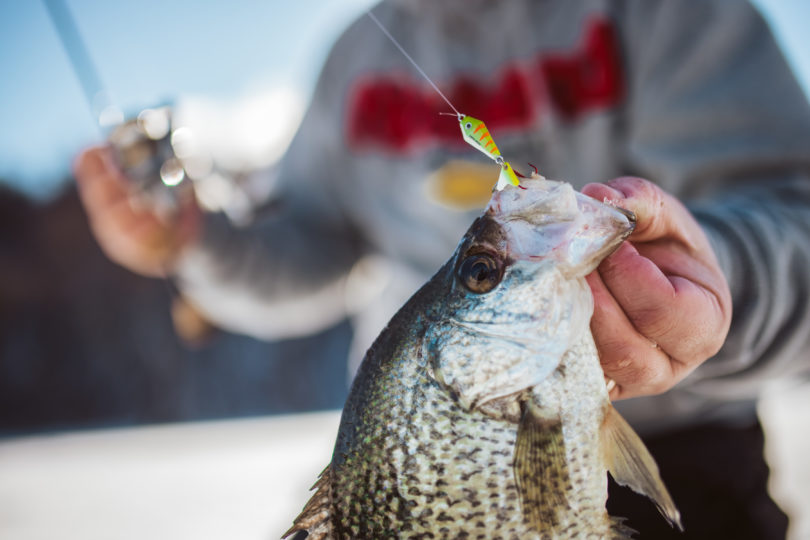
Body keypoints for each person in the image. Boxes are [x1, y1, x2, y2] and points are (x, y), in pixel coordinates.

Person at [75, 1, 810, 537]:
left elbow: (791, 216)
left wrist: (720, 283)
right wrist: (195, 242)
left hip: (693, 456)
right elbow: (304, 257)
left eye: (484, 271)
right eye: (487, 269)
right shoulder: (352, 62)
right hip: (406, 465)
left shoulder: (670, 15)